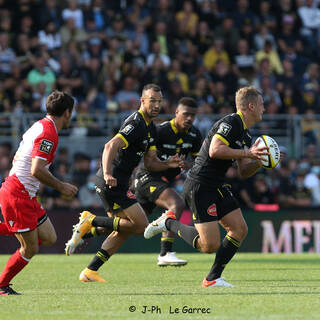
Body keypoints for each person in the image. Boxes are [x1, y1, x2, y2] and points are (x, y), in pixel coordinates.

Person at [144, 86, 271, 287]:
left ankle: (212, 278)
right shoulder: (231, 122)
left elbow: (243, 171)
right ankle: (168, 223)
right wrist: (248, 153)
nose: (264, 109)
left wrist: (261, 160)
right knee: (209, 245)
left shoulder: (245, 134)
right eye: (262, 105)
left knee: (239, 229)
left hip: (217, 184)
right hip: (200, 184)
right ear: (251, 105)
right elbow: (215, 150)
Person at [65, 83, 183, 282]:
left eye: (159, 101)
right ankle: (90, 221)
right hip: (111, 181)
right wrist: (109, 173)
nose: (156, 105)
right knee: (140, 226)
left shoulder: (150, 128)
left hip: (117, 182)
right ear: (142, 101)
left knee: (122, 229)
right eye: (152, 101)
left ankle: (90, 270)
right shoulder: (136, 122)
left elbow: (151, 162)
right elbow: (110, 145)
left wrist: (168, 164)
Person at [0, 91, 78, 295]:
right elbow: (36, 169)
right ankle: (1, 285)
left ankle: (9, 228)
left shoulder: (42, 125)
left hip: (25, 193)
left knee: (50, 237)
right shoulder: (48, 132)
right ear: (67, 112)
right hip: (18, 193)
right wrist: (61, 186)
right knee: (30, 248)